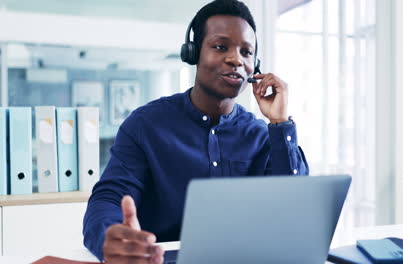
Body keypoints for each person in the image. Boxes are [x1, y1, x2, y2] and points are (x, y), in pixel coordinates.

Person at [83, 0, 309, 263]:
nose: (236, 58)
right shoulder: (145, 124)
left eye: (246, 52)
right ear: (193, 53)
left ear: (255, 65)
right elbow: (108, 199)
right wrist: (109, 236)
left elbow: (296, 208)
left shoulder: (262, 135)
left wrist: (280, 123)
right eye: (220, 46)